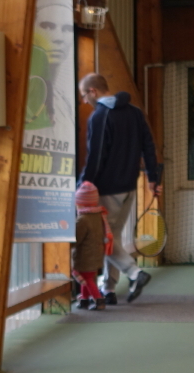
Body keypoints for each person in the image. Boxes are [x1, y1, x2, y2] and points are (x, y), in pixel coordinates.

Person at [78, 72, 159, 303]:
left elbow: (96, 156)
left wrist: (83, 183)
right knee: (113, 236)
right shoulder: (135, 112)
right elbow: (148, 146)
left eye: (84, 95)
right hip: (129, 187)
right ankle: (109, 289)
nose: (84, 100)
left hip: (107, 189)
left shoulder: (99, 116)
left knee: (104, 238)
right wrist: (154, 177)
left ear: (93, 91)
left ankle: (134, 273)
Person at [73, 181, 111, 310]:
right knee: (87, 277)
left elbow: (76, 239)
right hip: (96, 253)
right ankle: (84, 299)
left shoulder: (82, 220)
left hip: (85, 255)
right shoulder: (98, 215)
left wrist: (68, 246)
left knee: (87, 279)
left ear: (81, 203)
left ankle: (99, 300)